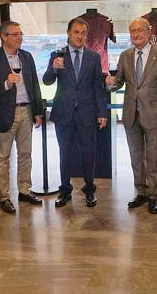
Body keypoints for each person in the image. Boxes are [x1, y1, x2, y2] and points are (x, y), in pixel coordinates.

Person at [105, 17, 157, 214]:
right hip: (130, 115)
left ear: (149, 33)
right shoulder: (125, 55)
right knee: (136, 157)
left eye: (139, 31)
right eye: (132, 31)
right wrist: (110, 83)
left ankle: (154, 196)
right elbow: (118, 83)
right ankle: (141, 192)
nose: (136, 34)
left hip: (154, 116)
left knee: (154, 158)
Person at [44, 17, 107, 208]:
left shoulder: (93, 57)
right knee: (65, 153)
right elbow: (47, 81)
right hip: (64, 113)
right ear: (68, 33)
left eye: (83, 33)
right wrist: (53, 69)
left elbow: (98, 87)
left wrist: (102, 112)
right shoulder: (57, 54)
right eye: (76, 32)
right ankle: (65, 190)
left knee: (89, 153)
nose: (79, 36)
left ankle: (89, 190)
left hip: (87, 113)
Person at [0, 21, 44, 214]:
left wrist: (38, 111)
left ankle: (24, 191)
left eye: (21, 34)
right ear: (3, 36)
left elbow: (34, 85)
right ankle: (4, 197)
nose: (20, 37)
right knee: (3, 157)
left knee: (26, 154)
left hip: (26, 111)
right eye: (15, 34)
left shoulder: (26, 57)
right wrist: (7, 84)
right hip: (4, 113)